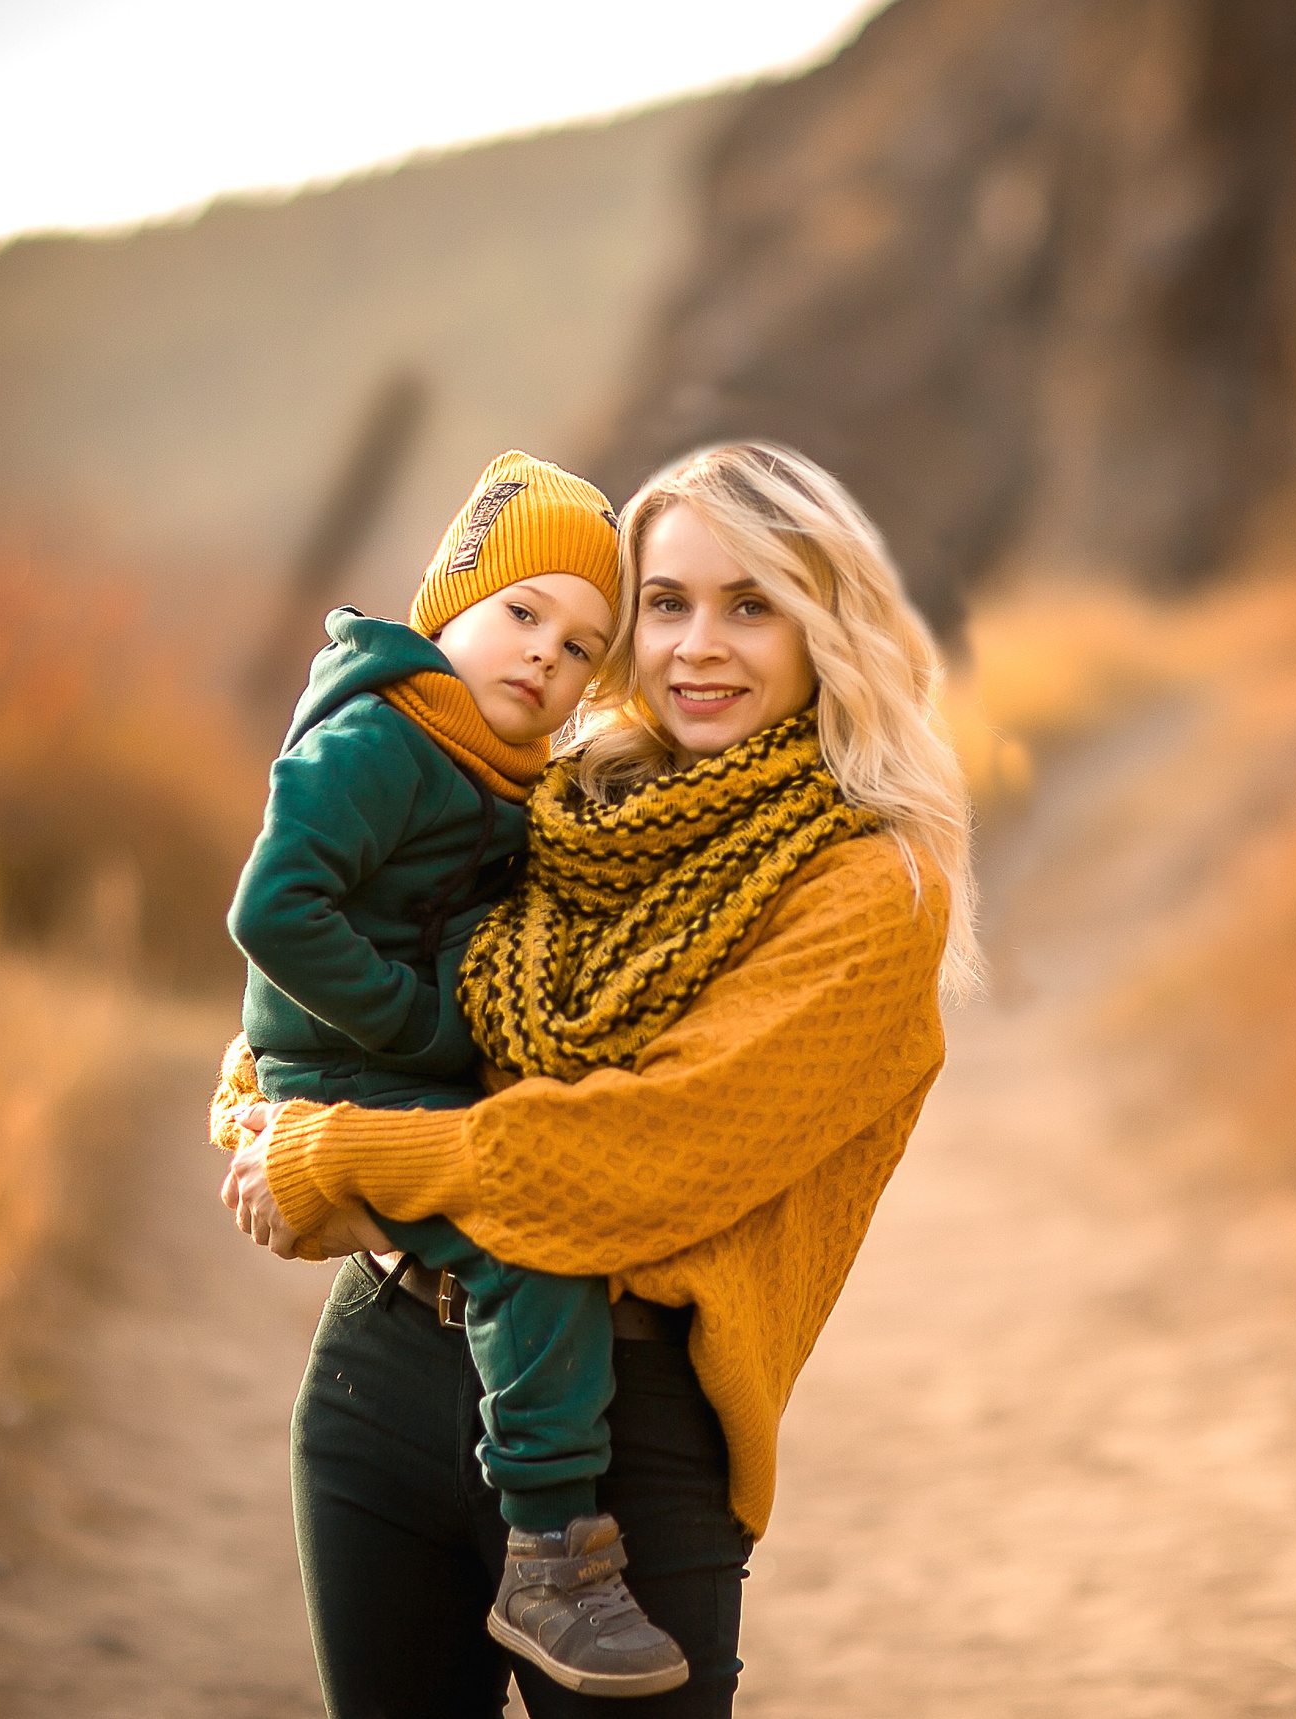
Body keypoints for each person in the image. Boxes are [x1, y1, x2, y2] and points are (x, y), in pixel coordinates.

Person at [218, 441, 980, 1718]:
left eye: (751, 605)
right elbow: (339, 983)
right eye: (666, 603)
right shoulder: (567, 801)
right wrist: (262, 1117)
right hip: (382, 1369)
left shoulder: (866, 889)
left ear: (825, 629)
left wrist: (338, 1153)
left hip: (630, 1441)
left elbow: (638, 1154)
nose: (697, 646)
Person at [223, 449, 690, 1694]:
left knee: (520, 1188)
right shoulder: (382, 737)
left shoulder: (483, 758)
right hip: (353, 1067)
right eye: (522, 613)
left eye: (581, 647)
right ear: (449, 605)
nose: (544, 656)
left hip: (371, 1061)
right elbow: (272, 908)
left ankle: (538, 1521)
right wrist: (428, 1031)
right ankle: (549, 1549)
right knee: (524, 1225)